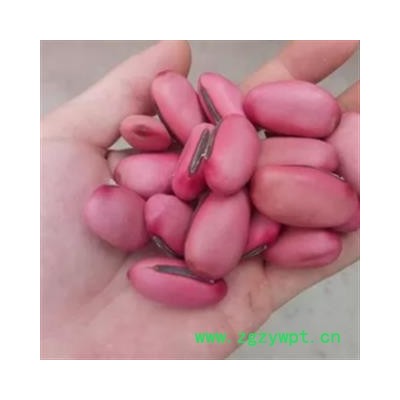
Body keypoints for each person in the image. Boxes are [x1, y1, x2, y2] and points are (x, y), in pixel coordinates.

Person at [41, 40, 360, 359]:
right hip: (228, 192)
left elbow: (228, 149)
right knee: (215, 187)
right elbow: (222, 153)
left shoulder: (239, 163)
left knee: (236, 180)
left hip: (245, 185)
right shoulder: (224, 167)